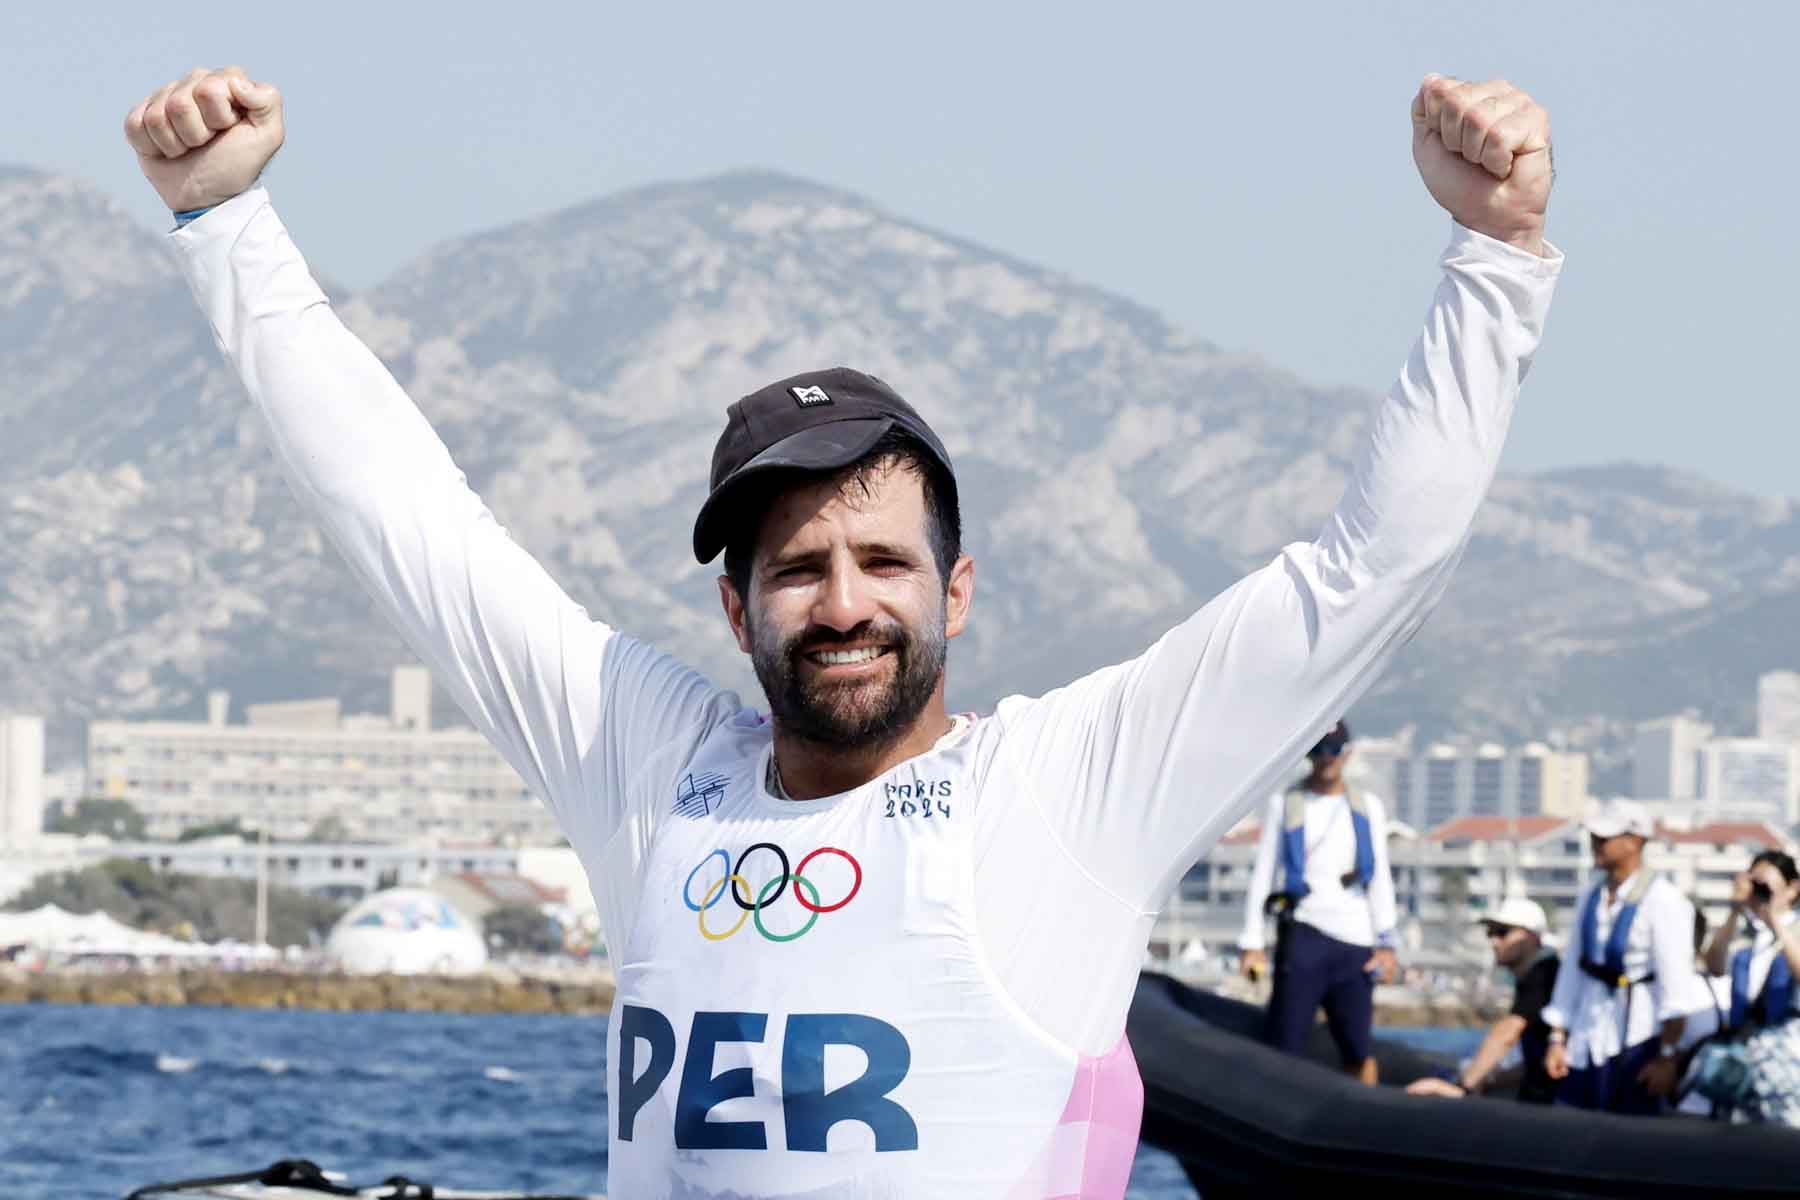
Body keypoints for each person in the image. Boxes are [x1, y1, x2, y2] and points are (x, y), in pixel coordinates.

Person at [124, 65, 1560, 1198]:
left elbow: (1372, 568)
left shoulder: (1065, 793)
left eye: (885, 558)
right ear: (735, 606)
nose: (847, 601)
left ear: (959, 590)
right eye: (799, 566)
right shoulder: (648, 769)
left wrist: (1491, 257)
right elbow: (408, 522)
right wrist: (224, 224)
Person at [1239, 720, 1399, 1084]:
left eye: (1334, 750)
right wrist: (1252, 943)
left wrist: (1387, 942)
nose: (1327, 759)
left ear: (1348, 753)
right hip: (1305, 935)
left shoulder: (1367, 807)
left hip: (1355, 940)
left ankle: (1366, 1114)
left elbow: (1380, 877)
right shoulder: (1286, 804)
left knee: (1358, 1046)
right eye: (1318, 751)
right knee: (1286, 1042)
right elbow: (1264, 874)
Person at [1542, 799, 1702, 1114]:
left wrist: (1667, 1058)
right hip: (1587, 1035)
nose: (1595, 845)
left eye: (1605, 838)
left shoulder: (1664, 900)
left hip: (1637, 1038)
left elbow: (1676, 987)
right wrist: (1557, 1037)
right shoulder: (1590, 895)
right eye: (1594, 837)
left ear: (1634, 842)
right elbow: (1573, 971)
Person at [1406, 896, 1561, 1103]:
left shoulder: (1544, 973)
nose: (1493, 941)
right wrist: (1488, 1081)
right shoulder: (1536, 976)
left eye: (1502, 933)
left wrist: (1463, 1089)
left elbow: (1508, 1032)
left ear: (1530, 937)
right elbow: (1535, 1062)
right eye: (1490, 933)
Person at [1685, 850, 1800, 1124]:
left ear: (1793, 888)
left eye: (1765, 884)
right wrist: (1735, 909)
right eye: (1754, 883)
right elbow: (1714, 966)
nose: (1758, 891)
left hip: (1788, 1063)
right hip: (1742, 1058)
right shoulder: (1746, 934)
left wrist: (1775, 919)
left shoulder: (1794, 930)